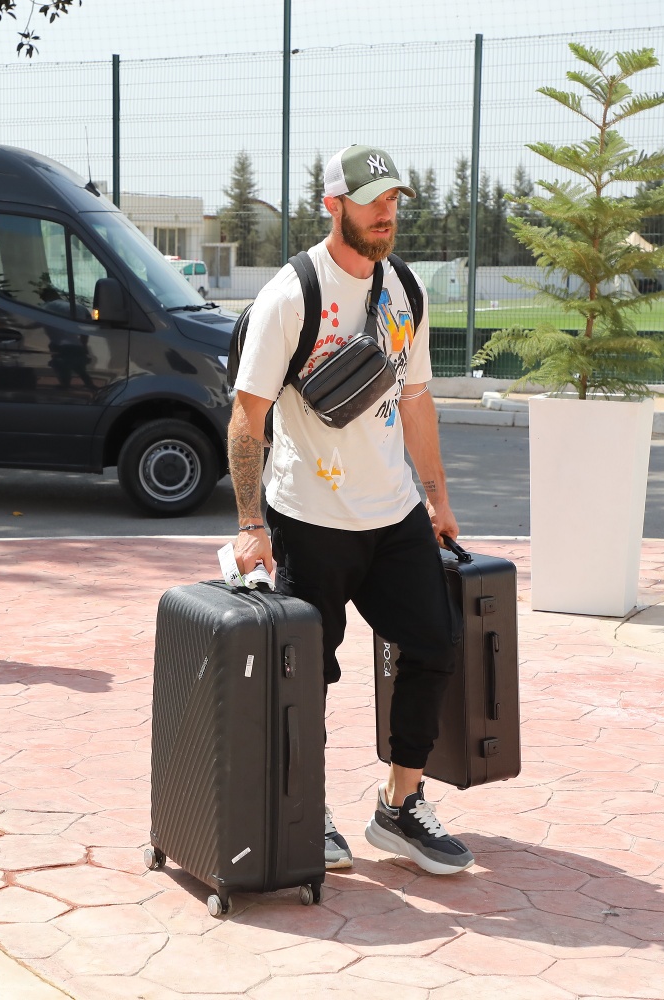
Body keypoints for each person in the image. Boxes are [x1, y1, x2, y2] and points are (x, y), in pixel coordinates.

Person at [229, 145, 474, 876]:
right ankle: (309, 808)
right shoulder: (291, 294)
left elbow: (416, 397)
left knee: (434, 645)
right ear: (333, 206)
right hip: (309, 517)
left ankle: (400, 804)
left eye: (393, 200)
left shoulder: (406, 289)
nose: (386, 214)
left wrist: (437, 498)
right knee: (307, 676)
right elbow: (247, 418)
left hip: (393, 512)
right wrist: (250, 525)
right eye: (372, 201)